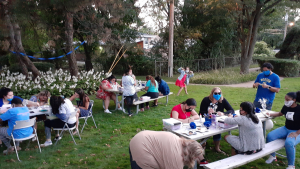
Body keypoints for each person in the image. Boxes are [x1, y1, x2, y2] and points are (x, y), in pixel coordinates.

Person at [129, 130, 208, 169]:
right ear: (191, 155)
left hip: (140, 137)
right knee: (145, 165)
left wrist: (201, 159)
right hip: (142, 147)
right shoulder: (177, 160)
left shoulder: (181, 141)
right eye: (196, 157)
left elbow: (194, 147)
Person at [265, 92, 300, 169]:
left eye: (288, 100)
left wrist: (297, 133)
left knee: (289, 143)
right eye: (285, 99)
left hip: (297, 131)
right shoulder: (286, 106)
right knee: (270, 136)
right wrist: (269, 114)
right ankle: (272, 156)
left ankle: (291, 165)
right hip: (286, 128)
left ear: (294, 100)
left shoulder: (299, 109)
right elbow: (280, 113)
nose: (286, 101)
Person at [199, 87, 234, 153]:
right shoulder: (206, 100)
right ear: (212, 93)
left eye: (219, 93)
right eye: (215, 93)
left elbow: (231, 110)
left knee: (218, 129)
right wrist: (207, 113)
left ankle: (216, 148)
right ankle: (203, 144)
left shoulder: (222, 100)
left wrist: (223, 113)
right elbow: (201, 112)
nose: (217, 95)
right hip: (206, 120)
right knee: (204, 130)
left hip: (217, 121)